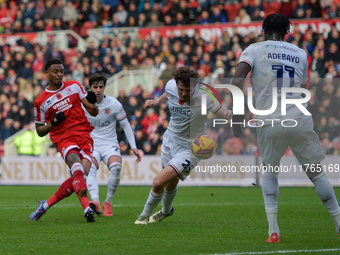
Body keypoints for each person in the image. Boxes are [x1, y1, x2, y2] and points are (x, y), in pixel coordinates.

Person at [232, 13, 340, 242]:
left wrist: (238, 114)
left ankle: (273, 231)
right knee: (317, 174)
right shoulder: (300, 54)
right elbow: (303, 88)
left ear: (263, 30)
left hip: (269, 120)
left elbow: (238, 79)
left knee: (270, 171)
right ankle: (339, 225)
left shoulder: (254, 49)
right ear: (287, 32)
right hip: (299, 118)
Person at [135, 66, 232, 224]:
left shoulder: (203, 97)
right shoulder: (170, 86)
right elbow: (169, 94)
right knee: (171, 181)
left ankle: (143, 217)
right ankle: (167, 211)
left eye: (188, 90)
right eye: (181, 90)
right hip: (170, 139)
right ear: (176, 84)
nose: (184, 93)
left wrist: (228, 114)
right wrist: (157, 101)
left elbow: (219, 109)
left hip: (192, 148)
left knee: (159, 181)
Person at [30, 58, 99, 222]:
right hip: (64, 138)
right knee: (76, 166)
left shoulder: (74, 86)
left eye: (61, 71)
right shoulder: (40, 101)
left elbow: (93, 112)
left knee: (80, 175)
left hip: (84, 135)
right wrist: (53, 123)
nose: (59, 74)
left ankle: (45, 206)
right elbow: (39, 131)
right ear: (46, 73)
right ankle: (87, 209)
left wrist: (94, 104)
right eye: (55, 71)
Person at [85, 74, 142, 216]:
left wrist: (133, 146)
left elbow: (126, 125)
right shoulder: (82, 103)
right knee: (90, 169)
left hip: (110, 143)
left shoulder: (113, 103)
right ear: (90, 88)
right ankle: (96, 202)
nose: (98, 90)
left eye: (101, 87)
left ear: (104, 87)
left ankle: (108, 202)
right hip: (91, 144)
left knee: (116, 168)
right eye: (95, 87)